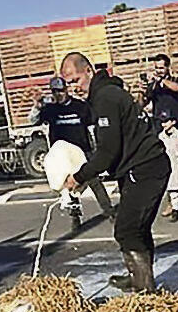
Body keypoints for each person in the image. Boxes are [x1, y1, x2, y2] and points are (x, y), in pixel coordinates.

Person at [61, 52, 169, 295]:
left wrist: (78, 177)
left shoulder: (106, 98)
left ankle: (145, 290)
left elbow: (108, 151)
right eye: (68, 83)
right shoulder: (104, 95)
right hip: (135, 167)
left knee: (127, 229)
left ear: (88, 71)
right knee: (137, 228)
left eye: (76, 80)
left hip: (146, 167)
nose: (73, 87)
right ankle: (138, 277)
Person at [29, 77, 116, 230]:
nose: (59, 95)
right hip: (63, 155)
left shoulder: (80, 106)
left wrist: (96, 148)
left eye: (61, 91)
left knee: (94, 181)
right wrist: (37, 106)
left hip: (82, 150)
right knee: (68, 186)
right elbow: (33, 120)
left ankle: (109, 212)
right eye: (55, 92)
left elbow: (93, 123)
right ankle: (75, 216)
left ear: (66, 90)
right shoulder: (50, 109)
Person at [143, 53, 178, 134]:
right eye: (156, 68)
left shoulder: (176, 80)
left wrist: (161, 80)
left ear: (167, 68)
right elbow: (143, 102)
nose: (158, 71)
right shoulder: (153, 85)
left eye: (161, 68)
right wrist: (142, 90)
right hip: (160, 126)